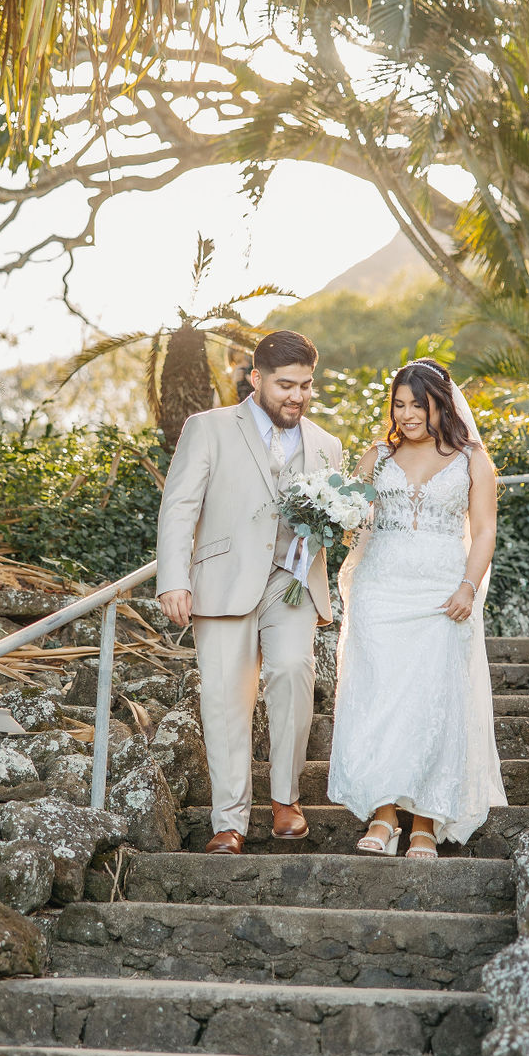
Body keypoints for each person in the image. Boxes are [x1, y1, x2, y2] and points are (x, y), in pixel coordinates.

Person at [156, 330, 342, 854]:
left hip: (292, 585)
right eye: (286, 385)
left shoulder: (327, 445)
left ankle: (286, 800)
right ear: (256, 378)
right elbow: (180, 506)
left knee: (292, 672)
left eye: (306, 386)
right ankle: (229, 822)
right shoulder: (207, 428)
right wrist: (173, 578)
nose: (297, 397)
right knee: (224, 701)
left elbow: (332, 519)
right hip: (222, 581)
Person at [328, 358, 507, 858]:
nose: (406, 415)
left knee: (434, 702)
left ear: (441, 405)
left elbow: (486, 529)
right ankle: (383, 817)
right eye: (399, 405)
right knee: (379, 700)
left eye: (417, 405)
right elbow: (350, 517)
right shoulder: (377, 457)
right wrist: (332, 513)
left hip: (441, 594)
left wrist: (469, 587)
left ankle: (425, 821)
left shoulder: (472, 458)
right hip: (380, 590)